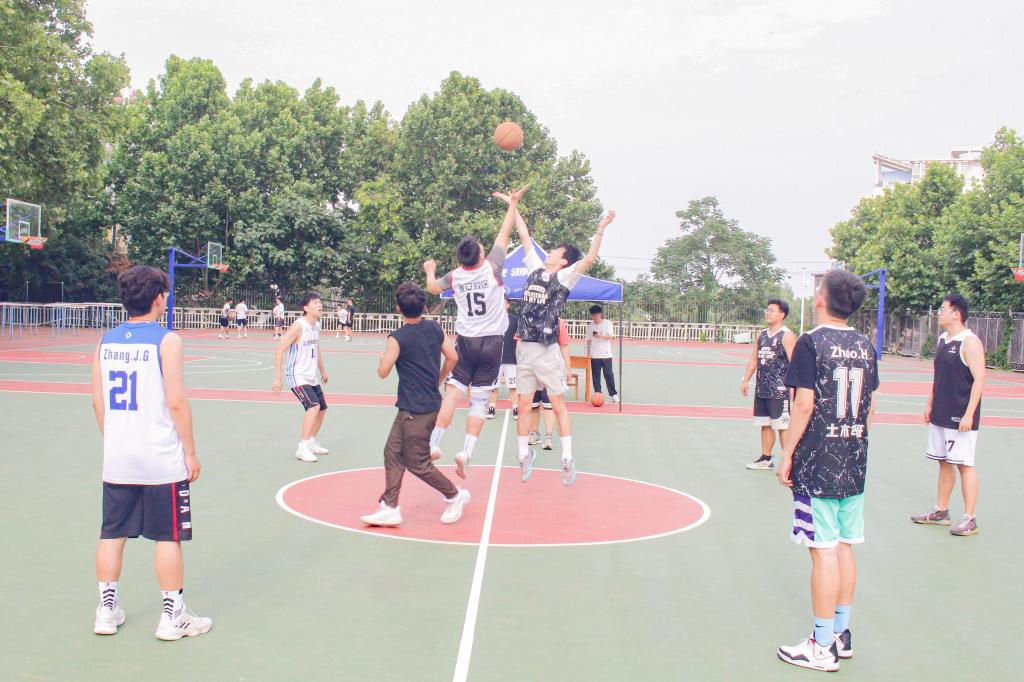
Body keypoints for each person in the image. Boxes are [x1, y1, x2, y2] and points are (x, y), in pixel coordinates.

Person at [90, 265, 212, 641]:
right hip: (159, 457)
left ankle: (106, 611)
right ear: (159, 298)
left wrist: (116, 439)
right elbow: (176, 402)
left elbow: (98, 401)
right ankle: (172, 617)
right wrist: (190, 451)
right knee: (167, 536)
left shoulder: (105, 341)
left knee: (112, 532)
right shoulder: (167, 340)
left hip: (118, 456)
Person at [775, 269, 879, 672]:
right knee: (845, 545)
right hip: (853, 457)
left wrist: (787, 453)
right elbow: (869, 405)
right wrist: (854, 441)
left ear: (821, 298)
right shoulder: (865, 345)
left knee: (823, 552)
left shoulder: (811, 342)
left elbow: (804, 404)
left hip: (818, 461)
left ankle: (820, 646)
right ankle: (841, 633)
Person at [501, 189, 615, 486]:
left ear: (563, 261)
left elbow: (590, 258)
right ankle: (524, 454)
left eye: (554, 251)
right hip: (524, 348)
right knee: (524, 404)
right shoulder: (534, 269)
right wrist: (514, 205)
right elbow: (524, 235)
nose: (549, 252)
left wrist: (601, 229)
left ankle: (566, 457)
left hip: (547, 350)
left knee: (557, 403)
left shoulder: (564, 277)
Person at [424, 184, 527, 478]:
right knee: (480, 400)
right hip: (492, 343)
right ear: (481, 255)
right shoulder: (492, 267)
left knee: (452, 395)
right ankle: (466, 452)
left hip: (466, 342)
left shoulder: (455, 276)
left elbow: (432, 288)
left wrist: (430, 269)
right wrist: (512, 204)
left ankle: (434, 444)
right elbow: (504, 233)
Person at [360, 282, 471, 527]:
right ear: (423, 306)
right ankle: (390, 507)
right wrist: (439, 379)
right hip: (416, 406)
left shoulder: (397, 338)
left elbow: (383, 372)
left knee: (417, 463)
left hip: (417, 409)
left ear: (398, 308)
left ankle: (455, 495)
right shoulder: (434, 328)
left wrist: (382, 359)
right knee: (392, 452)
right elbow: (453, 356)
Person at [911, 294, 985, 536]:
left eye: (943, 309)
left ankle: (970, 518)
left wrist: (969, 414)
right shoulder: (943, 339)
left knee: (964, 464)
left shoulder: (970, 342)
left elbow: (980, 380)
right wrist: (930, 403)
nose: (939, 313)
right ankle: (941, 511)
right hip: (941, 412)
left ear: (956, 313)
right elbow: (938, 376)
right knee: (943, 461)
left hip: (960, 415)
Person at [273, 292, 330, 463]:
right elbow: (280, 349)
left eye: (320, 302)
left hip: (310, 375)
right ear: (306, 308)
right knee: (313, 406)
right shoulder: (299, 326)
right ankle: (302, 447)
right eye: (315, 302)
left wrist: (323, 370)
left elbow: (316, 348)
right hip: (296, 375)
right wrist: (277, 377)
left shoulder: (316, 325)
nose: (320, 305)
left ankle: (311, 442)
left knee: (322, 408)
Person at [741, 299, 796, 469]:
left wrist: (794, 387)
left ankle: (789, 462)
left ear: (781, 315)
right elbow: (754, 359)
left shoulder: (787, 335)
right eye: (766, 310)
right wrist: (746, 379)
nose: (767, 313)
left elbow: (794, 363)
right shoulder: (762, 335)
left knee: (783, 426)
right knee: (765, 424)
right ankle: (766, 459)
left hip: (779, 390)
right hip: (762, 388)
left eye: (771, 310)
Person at [488, 295, 519, 420]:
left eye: (504, 302)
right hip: (495, 360)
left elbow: (519, 340)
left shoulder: (515, 320)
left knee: (513, 386)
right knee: (493, 386)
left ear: (508, 305)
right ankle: (491, 408)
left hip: (511, 359)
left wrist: (519, 357)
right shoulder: (492, 320)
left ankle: (516, 409)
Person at [586, 304, 619, 403]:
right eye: (593, 315)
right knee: (595, 376)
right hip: (594, 355)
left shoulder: (607, 323)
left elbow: (610, 336)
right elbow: (588, 340)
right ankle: (598, 394)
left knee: (609, 375)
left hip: (606, 354)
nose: (595, 317)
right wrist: (587, 353)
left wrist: (600, 336)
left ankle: (613, 394)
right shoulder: (590, 326)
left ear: (600, 314)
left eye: (596, 315)